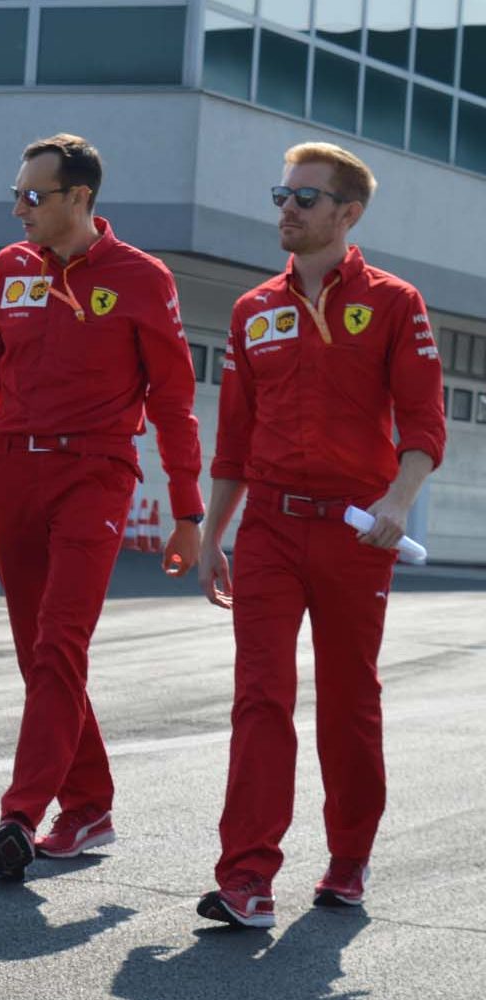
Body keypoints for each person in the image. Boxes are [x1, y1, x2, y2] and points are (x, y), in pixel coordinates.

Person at [0, 134, 204, 880]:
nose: (19, 208)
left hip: (96, 470)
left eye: (34, 196)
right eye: (16, 194)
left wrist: (187, 510)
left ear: (79, 198)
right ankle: (89, 804)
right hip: (10, 471)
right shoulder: (8, 268)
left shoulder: (142, 277)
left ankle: (21, 812)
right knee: (38, 654)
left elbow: (176, 401)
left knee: (61, 642)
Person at [195, 143, 445, 928]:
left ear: (348, 213)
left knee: (348, 699)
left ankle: (348, 857)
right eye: (282, 194)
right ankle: (246, 880)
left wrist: (399, 501)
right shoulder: (251, 309)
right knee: (260, 697)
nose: (287, 209)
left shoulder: (396, 302)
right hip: (268, 524)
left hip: (354, 533)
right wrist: (213, 537)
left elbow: (424, 424)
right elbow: (233, 440)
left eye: (305, 198)